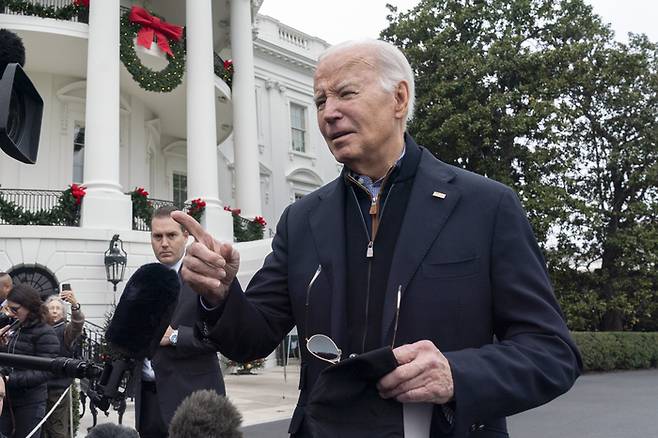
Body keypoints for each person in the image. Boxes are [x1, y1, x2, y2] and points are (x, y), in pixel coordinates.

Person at [173, 39, 582, 437]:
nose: (328, 113)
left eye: (345, 93)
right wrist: (222, 294)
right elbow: (251, 340)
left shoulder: (485, 207)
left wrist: (456, 374)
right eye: (319, 101)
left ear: (399, 99)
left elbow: (551, 352)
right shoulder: (301, 220)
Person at [133, 205, 225, 438]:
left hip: (193, 401)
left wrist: (174, 336)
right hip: (148, 403)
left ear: (186, 236)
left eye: (171, 235)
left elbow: (221, 334)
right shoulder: (143, 282)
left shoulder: (206, 276)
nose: (164, 243)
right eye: (157, 236)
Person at [0, 284, 59, 438]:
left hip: (30, 402)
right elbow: (11, 362)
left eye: (15, 309)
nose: (11, 314)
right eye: (9, 309)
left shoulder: (46, 333)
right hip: (8, 399)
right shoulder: (18, 327)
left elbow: (45, 371)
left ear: (29, 307)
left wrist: (9, 379)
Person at [43, 290, 85, 438]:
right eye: (51, 308)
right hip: (38, 387)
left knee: (57, 431)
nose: (54, 311)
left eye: (58, 308)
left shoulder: (66, 331)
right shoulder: (39, 329)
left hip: (57, 389)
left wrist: (75, 307)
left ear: (63, 312)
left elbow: (77, 326)